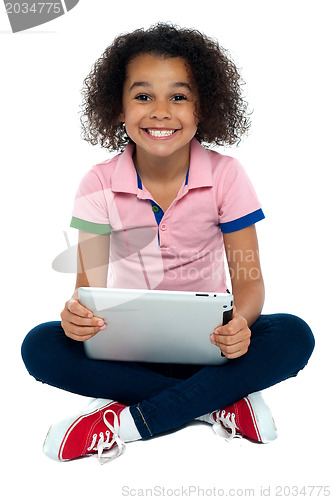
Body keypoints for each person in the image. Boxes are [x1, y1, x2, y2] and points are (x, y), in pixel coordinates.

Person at [21, 23, 315, 464]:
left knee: (294, 333)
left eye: (179, 97)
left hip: (213, 347)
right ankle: (218, 404)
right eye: (143, 96)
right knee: (40, 345)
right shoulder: (98, 182)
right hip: (127, 351)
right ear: (118, 108)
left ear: (204, 108)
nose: (161, 111)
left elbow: (249, 284)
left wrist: (240, 325)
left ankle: (128, 421)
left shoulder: (226, 175)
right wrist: (77, 316)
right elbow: (87, 290)